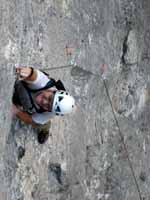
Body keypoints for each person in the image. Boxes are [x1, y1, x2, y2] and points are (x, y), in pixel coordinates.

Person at [12, 66, 75, 144]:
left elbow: (31, 120)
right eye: (49, 98)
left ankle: (45, 129)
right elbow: (35, 76)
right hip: (23, 92)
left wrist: (16, 111)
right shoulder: (44, 83)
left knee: (40, 123)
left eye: (48, 106)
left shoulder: (49, 114)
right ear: (52, 91)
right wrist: (28, 72)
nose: (44, 102)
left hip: (28, 105)